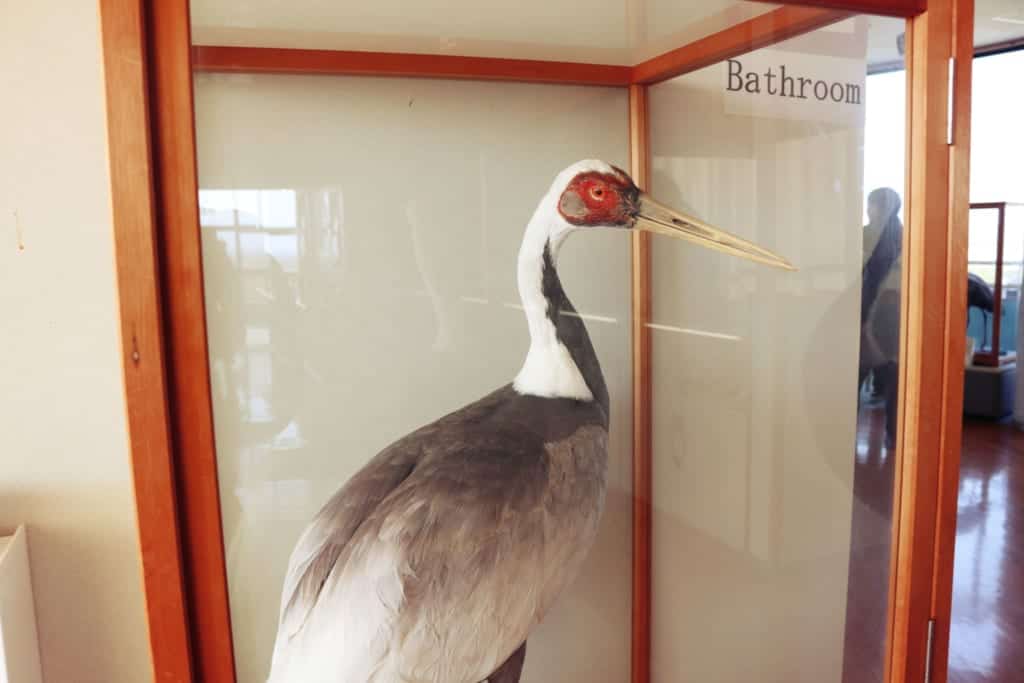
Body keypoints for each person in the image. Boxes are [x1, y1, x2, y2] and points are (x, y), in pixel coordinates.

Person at [859, 187, 903, 447]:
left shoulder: (870, 235)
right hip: (889, 316)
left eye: (872, 204)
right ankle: (894, 437)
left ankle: (893, 436)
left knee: (859, 375)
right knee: (893, 381)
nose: (868, 209)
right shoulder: (902, 235)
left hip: (876, 314)